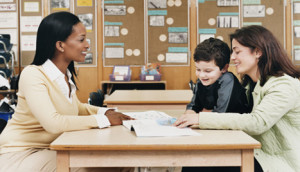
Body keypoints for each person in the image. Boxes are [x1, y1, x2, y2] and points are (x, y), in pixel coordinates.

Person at [0, 11, 133, 172]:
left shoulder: (64, 76)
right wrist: (104, 120)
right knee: (94, 166)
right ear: (60, 45)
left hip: (50, 147)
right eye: (81, 39)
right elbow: (53, 123)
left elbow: (79, 108)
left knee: (122, 161)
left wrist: (109, 113)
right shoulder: (33, 74)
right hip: (21, 153)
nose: (87, 45)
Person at [174, 25, 300, 172]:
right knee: (194, 161)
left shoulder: (284, 84)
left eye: (237, 52)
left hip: (274, 161)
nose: (233, 57)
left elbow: (257, 122)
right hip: (251, 151)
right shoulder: (249, 85)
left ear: (258, 52)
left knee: (198, 166)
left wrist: (200, 119)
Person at [186, 37, 250, 115]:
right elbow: (193, 106)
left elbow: (220, 114)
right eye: (198, 69)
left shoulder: (227, 79)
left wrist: (198, 117)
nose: (202, 75)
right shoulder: (202, 80)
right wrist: (188, 115)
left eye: (208, 71)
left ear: (224, 68)